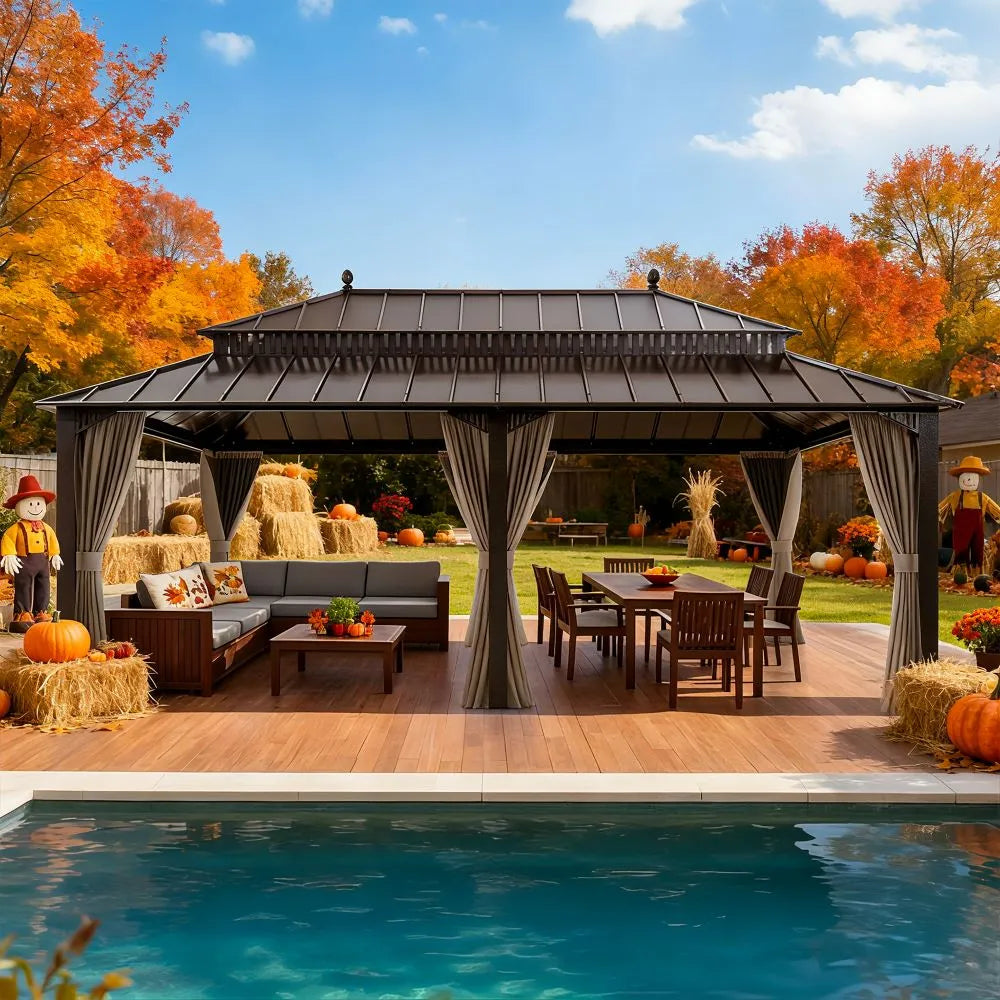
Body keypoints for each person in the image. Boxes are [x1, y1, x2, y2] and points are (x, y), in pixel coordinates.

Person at [1, 475, 63, 620]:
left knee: (44, 586)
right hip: (24, 562)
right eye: (30, 504)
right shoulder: (16, 528)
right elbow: (8, 539)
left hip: (43, 562)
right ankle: (22, 613)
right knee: (24, 587)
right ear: (19, 506)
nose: (35, 507)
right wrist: (9, 554)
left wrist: (55, 554)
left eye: (38, 504)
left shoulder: (46, 528)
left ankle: (41, 611)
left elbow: (52, 540)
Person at [938, 455, 1000, 572]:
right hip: (960, 531)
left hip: (977, 531)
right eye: (966, 477)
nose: (969, 481)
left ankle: (978, 575)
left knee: (978, 552)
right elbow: (940, 508)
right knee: (961, 552)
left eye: (972, 477)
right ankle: (960, 575)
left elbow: (997, 510)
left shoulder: (982, 498)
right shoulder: (956, 496)